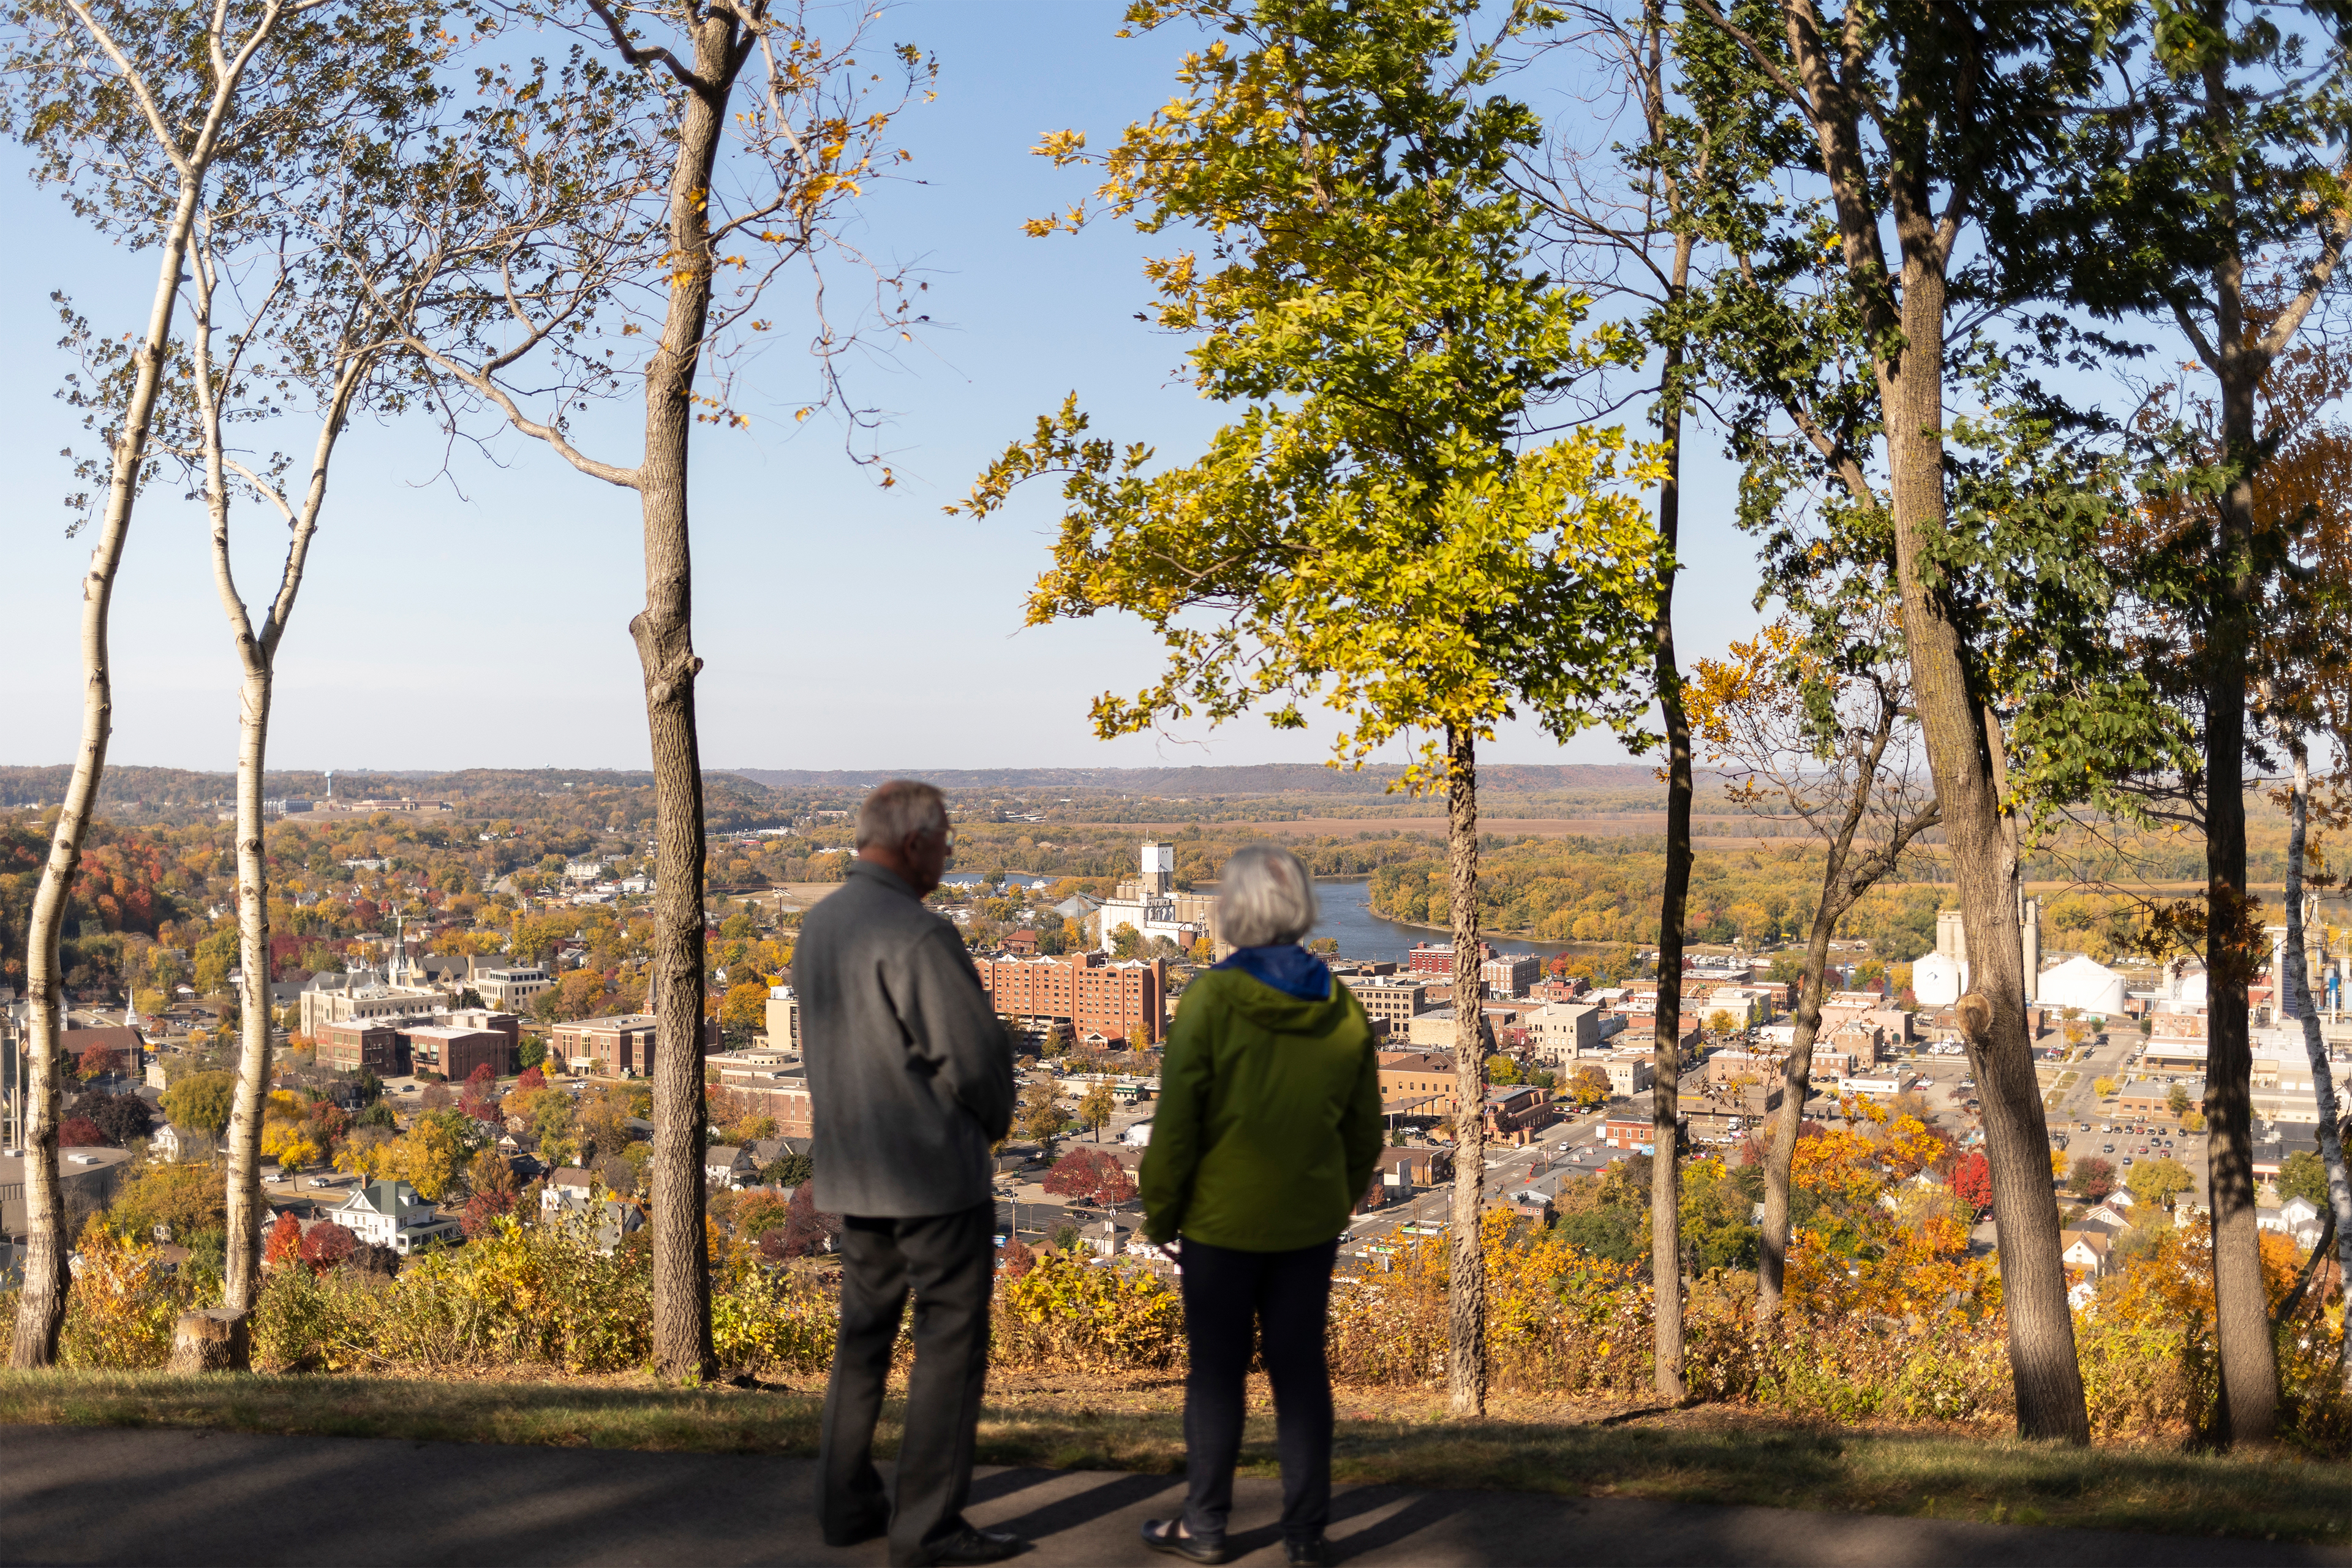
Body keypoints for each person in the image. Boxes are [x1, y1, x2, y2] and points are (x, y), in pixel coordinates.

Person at [799, 779, 1024, 1567]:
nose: (951, 853)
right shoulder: (919, 937)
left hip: (853, 1175)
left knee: (863, 1338)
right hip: (933, 1178)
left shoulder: (819, 925)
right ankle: (926, 1527)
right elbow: (976, 1062)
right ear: (915, 843)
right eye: (946, 839)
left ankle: (844, 1503)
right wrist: (993, 1126)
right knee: (948, 1346)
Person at [1137, 843, 1382, 1567]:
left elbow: (1177, 1123)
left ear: (1234, 909)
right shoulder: (1342, 1007)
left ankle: (1206, 1528)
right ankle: (1305, 1536)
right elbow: (1364, 1130)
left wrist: (1161, 1214)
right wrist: (1334, 1200)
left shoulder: (1210, 999)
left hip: (1219, 1224)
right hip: (1307, 1224)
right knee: (1300, 1374)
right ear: (1301, 909)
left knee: (1216, 1374)